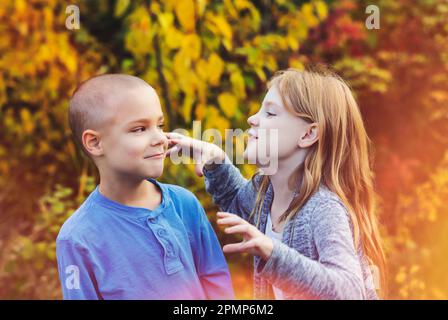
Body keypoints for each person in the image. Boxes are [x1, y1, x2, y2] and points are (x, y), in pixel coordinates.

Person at [167, 67, 386, 299]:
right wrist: (215, 159)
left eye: (270, 114)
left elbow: (349, 291)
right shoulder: (266, 192)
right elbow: (236, 201)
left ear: (308, 135)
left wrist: (272, 254)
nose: (252, 119)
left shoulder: (323, 209)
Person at [56, 74, 234, 300]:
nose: (160, 138)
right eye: (139, 129)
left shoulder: (184, 204)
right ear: (95, 143)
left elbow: (217, 282)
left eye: (160, 125)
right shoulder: (77, 237)